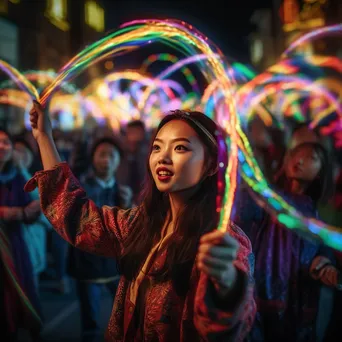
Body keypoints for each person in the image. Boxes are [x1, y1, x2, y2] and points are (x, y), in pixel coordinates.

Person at [26, 101, 256, 341]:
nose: (162, 158)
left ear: (210, 165)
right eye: (157, 147)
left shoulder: (224, 241)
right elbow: (77, 217)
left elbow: (234, 325)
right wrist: (44, 136)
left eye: (180, 148)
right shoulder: (140, 223)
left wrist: (227, 284)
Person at [234, 126, 337, 342]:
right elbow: (242, 208)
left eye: (310, 157)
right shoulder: (269, 198)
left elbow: (323, 249)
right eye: (296, 154)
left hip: (298, 298)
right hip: (263, 292)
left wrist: (324, 265)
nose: (299, 160)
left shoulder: (316, 213)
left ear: (321, 172)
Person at [69, 136, 133, 342]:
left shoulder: (122, 191)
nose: (106, 160)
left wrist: (128, 204)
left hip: (114, 263)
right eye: (102, 155)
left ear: (118, 161)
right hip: (87, 261)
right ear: (93, 158)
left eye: (111, 155)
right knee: (91, 321)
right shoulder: (81, 189)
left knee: (126, 314)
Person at [0, 129, 42, 341]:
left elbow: (31, 209)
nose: (2, 147)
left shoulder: (17, 176)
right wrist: (6, 213)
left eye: (6, 142)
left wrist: (32, 210)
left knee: (18, 295)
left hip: (16, 246)